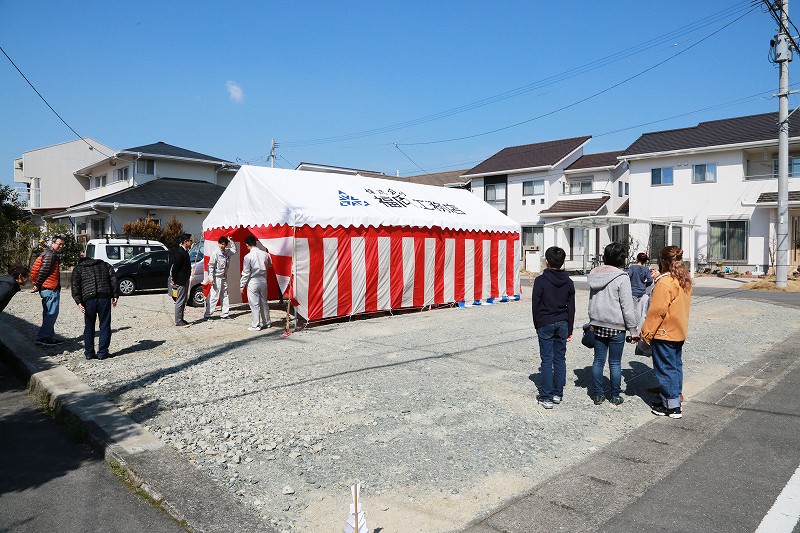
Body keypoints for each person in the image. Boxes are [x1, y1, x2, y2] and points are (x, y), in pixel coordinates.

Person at [641, 246, 692, 419]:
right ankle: (675, 396)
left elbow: (657, 312)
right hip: (679, 329)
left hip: (664, 332)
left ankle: (671, 406)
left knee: (665, 368)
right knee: (675, 366)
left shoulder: (665, 282)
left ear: (663, 260)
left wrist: (646, 334)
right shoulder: (684, 279)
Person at [587, 242, 638, 406]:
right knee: (615, 362)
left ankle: (597, 394)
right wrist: (633, 329)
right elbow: (627, 306)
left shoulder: (594, 274)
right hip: (616, 325)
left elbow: (592, 300)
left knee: (598, 361)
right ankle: (615, 396)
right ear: (622, 259)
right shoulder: (622, 277)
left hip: (597, 323)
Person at [531, 246, 575, 409]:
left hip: (545, 322)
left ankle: (546, 396)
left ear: (547, 262)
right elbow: (572, 307)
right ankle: (557, 393)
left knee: (547, 359)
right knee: (559, 358)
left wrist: (537, 324)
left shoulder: (541, 281)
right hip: (563, 322)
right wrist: (570, 328)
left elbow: (535, 305)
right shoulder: (569, 282)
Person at [71, 256, 119, 360]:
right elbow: (113, 279)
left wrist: (79, 302)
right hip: (104, 297)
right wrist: (115, 295)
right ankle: (102, 353)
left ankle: (89, 353)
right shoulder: (105, 265)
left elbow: (75, 286)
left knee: (89, 326)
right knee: (105, 325)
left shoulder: (79, 268)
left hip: (88, 299)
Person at [30, 235, 66, 345]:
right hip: (50, 288)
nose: (61, 246)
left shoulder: (48, 253)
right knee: (51, 314)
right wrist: (37, 285)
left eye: (62, 245)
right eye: (59, 244)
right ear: (53, 243)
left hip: (47, 288)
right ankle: (43, 337)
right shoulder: (51, 255)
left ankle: (50, 336)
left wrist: (38, 285)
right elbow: (44, 271)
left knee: (48, 313)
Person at [240, 235, 272, 331]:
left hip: (253, 280)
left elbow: (246, 272)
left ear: (247, 245)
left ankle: (256, 325)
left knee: (254, 304)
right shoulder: (265, 254)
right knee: (264, 302)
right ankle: (267, 322)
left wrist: (242, 285)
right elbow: (270, 265)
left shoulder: (248, 256)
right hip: (263, 279)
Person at [204, 236, 236, 320]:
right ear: (218, 244)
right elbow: (211, 266)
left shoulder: (226, 252)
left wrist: (231, 241)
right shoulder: (215, 253)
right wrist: (210, 278)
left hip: (223, 277)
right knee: (214, 297)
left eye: (224, 244)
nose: (222, 246)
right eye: (221, 244)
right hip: (216, 278)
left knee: (225, 295)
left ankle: (224, 314)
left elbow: (234, 250)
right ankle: (208, 315)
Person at [170, 234, 193, 327]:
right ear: (185, 241)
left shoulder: (185, 251)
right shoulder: (180, 252)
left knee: (183, 300)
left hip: (185, 279)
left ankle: (181, 318)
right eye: (190, 240)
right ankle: (178, 320)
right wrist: (174, 279)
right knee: (180, 300)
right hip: (181, 280)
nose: (191, 242)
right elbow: (175, 268)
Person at [628, 252, 654, 331]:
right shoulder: (646, 269)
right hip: (642, 292)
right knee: (642, 309)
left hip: (633, 291)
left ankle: (635, 325)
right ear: (645, 261)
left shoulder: (632, 267)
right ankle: (641, 324)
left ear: (637, 259)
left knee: (634, 309)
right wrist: (645, 285)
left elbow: (628, 276)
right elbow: (650, 280)